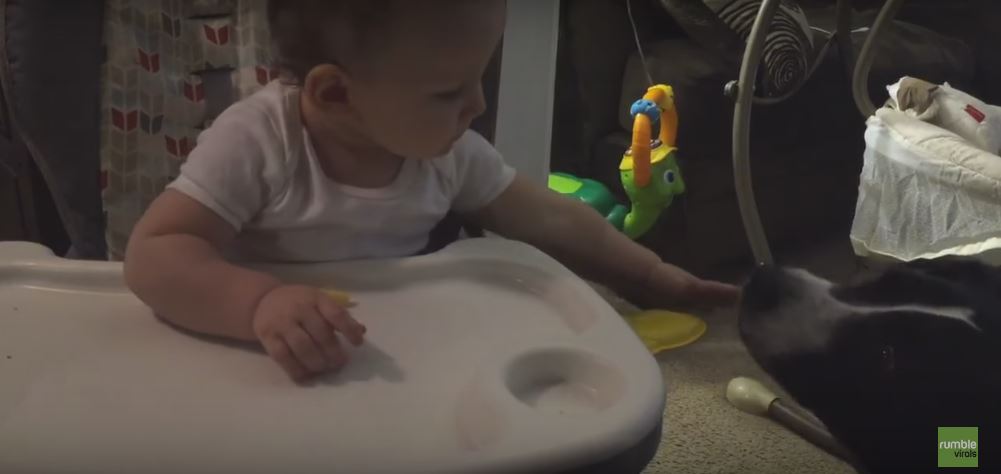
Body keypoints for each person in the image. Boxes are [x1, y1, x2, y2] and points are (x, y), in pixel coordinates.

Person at [124, 0, 739, 382]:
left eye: (479, 77)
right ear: (336, 94)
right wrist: (257, 304)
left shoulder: (445, 155)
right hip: (272, 363)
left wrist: (652, 276)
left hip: (408, 357)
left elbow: (551, 218)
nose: (477, 104)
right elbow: (156, 251)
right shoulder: (259, 142)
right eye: (449, 92)